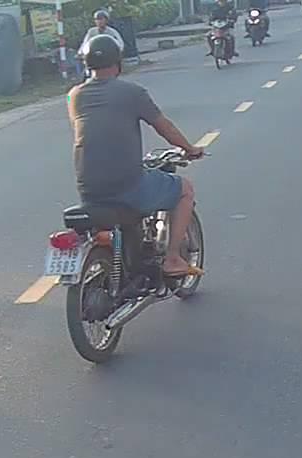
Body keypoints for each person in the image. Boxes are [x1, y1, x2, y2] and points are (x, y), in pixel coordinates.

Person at [68, 35, 204, 278]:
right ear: (118, 62)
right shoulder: (132, 92)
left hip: (88, 188)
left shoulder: (74, 96)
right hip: (126, 185)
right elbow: (164, 127)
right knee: (185, 190)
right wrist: (189, 148)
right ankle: (173, 259)